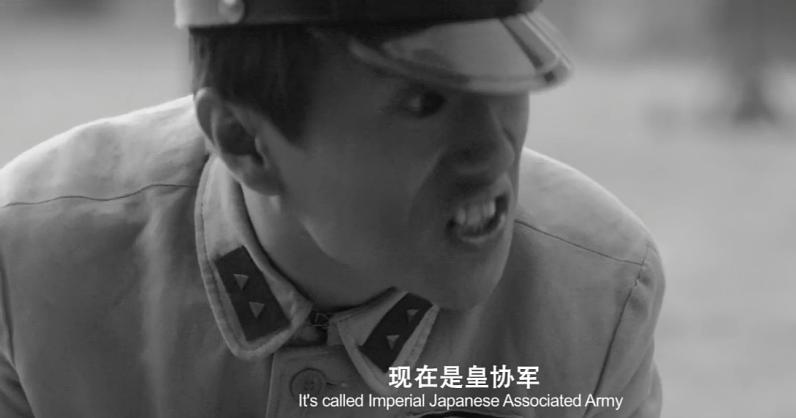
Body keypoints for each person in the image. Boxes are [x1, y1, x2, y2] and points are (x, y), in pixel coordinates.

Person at [0, 0, 664, 417]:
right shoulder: (31, 267)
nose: (493, 150)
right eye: (424, 103)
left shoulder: (595, 299)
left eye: (502, 85)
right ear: (244, 140)